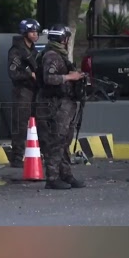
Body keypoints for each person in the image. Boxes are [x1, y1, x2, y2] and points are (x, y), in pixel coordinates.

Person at [34, 24, 86, 190]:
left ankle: (66, 175)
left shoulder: (59, 55)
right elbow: (49, 78)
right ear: (63, 39)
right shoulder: (52, 55)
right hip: (53, 105)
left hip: (63, 104)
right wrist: (69, 77)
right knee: (56, 141)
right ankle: (52, 177)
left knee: (64, 141)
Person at [7, 18, 42, 166]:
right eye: (32, 32)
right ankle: (17, 157)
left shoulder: (33, 50)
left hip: (34, 90)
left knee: (38, 122)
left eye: (36, 32)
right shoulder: (16, 51)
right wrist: (30, 74)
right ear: (25, 33)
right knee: (20, 124)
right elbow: (13, 73)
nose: (35, 34)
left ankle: (35, 153)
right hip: (22, 91)